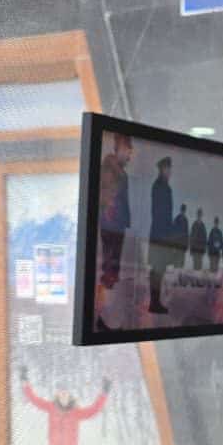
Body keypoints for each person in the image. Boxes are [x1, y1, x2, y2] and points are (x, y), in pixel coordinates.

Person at [19, 367, 110, 445]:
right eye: (60, 391)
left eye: (65, 392)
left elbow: (94, 410)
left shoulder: (76, 412)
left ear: (69, 394)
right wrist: (25, 381)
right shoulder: (51, 407)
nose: (63, 394)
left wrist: (104, 392)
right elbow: (34, 399)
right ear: (57, 393)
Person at [95, 133, 132, 330]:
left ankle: (104, 318)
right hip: (111, 227)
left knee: (112, 272)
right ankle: (102, 319)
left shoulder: (117, 172)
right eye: (127, 150)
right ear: (118, 149)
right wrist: (109, 209)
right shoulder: (109, 171)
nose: (129, 155)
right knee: (109, 272)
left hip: (116, 226)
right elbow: (104, 198)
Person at [147, 156, 175, 314]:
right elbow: (159, 214)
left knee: (160, 270)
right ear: (163, 169)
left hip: (162, 234)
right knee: (157, 270)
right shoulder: (159, 187)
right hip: (160, 235)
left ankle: (155, 302)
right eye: (168, 168)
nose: (170, 172)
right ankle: (154, 303)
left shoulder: (164, 186)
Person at [173, 203, 190, 270]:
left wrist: (186, 245)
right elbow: (173, 232)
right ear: (181, 210)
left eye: (184, 210)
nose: (183, 211)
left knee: (182, 262)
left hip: (183, 244)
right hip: (177, 243)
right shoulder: (177, 219)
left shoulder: (186, 220)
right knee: (176, 261)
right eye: (182, 209)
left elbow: (186, 234)